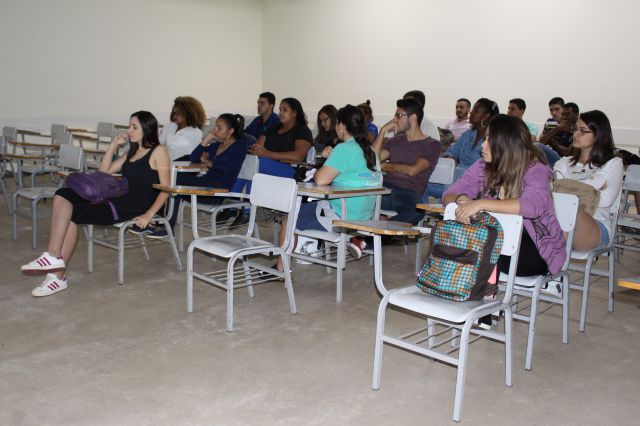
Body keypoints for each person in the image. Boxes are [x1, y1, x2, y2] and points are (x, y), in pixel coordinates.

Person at [21, 111, 171, 296]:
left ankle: (57, 273)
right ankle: (54, 261)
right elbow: (103, 172)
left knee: (71, 213)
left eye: (134, 127)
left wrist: (149, 214)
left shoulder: (159, 151)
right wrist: (113, 145)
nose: (129, 131)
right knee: (62, 193)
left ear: (147, 129)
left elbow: (166, 188)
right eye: (129, 126)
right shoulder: (132, 152)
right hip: (118, 199)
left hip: (134, 207)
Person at [443, 114, 567, 284]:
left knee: (473, 250)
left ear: (506, 144)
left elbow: (533, 206)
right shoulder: (483, 166)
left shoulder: (535, 169)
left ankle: (470, 292)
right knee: (462, 244)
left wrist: (480, 204)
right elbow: (449, 194)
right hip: (497, 243)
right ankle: (457, 288)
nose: (483, 145)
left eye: (489, 139)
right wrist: (462, 200)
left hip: (536, 251)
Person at [284, 104, 381, 267]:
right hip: (365, 217)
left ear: (341, 126)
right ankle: (352, 239)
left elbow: (320, 179)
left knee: (290, 217)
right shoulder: (370, 151)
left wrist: (328, 158)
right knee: (309, 208)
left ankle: (281, 268)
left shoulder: (344, 148)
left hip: (342, 217)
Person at [145, 114, 249, 238]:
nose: (214, 130)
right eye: (215, 127)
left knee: (175, 180)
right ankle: (163, 224)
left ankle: (165, 225)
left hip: (218, 190)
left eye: (219, 128)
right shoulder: (216, 145)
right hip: (206, 183)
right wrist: (206, 140)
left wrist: (208, 162)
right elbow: (194, 158)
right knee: (173, 180)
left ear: (231, 131)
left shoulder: (240, 145)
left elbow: (228, 168)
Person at [553, 110, 623, 254]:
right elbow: (554, 194)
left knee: (574, 210)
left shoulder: (613, 163)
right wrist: (592, 189)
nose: (576, 134)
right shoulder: (563, 163)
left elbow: (607, 200)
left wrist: (567, 187)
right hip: (560, 221)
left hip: (595, 225)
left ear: (599, 135)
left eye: (583, 131)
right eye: (575, 129)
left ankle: (553, 263)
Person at [373, 98, 441, 225]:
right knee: (357, 196)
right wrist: (382, 131)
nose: (395, 120)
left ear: (413, 117)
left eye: (398, 115)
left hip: (407, 192)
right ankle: (379, 229)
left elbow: (412, 170)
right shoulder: (395, 140)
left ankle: (380, 231)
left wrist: (386, 166)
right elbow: (373, 160)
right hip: (385, 188)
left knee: (418, 211)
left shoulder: (432, 145)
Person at [426, 98, 500, 200]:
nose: (471, 113)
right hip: (455, 179)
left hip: (475, 184)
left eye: (476, 111)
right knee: (422, 182)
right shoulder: (469, 134)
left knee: (456, 173)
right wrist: (450, 157)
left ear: (486, 116)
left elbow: (486, 170)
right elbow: (451, 151)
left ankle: (447, 204)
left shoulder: (492, 140)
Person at [248, 97, 313, 178]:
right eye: (280, 109)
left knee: (258, 164)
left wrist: (267, 154)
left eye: (285, 110)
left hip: (289, 169)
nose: (280, 113)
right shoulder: (273, 127)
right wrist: (257, 151)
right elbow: (258, 148)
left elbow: (298, 156)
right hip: (266, 163)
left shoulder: (302, 130)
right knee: (248, 161)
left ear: (294, 113)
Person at [159, 96, 207, 161]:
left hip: (182, 165)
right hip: (164, 163)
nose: (175, 116)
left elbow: (193, 156)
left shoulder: (195, 132)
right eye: (174, 112)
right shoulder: (170, 125)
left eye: (178, 113)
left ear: (189, 113)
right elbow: (158, 144)